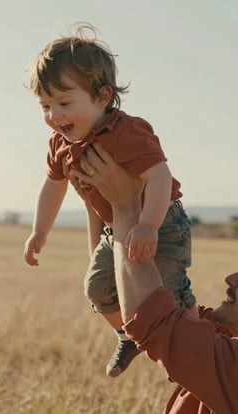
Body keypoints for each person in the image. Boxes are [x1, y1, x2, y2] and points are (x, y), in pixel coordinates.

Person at [23, 23, 197, 377]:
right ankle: (126, 334)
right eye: (45, 106)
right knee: (96, 287)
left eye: (64, 102)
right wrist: (39, 232)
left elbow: (159, 176)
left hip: (161, 224)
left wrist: (147, 225)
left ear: (102, 97)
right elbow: (53, 186)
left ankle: (198, 335)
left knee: (165, 292)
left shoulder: (126, 132)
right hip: (113, 227)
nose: (53, 116)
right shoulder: (60, 145)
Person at [69, 143, 238, 413]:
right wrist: (101, 209)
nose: (231, 279)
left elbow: (151, 319)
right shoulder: (223, 336)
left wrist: (124, 205)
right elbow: (125, 287)